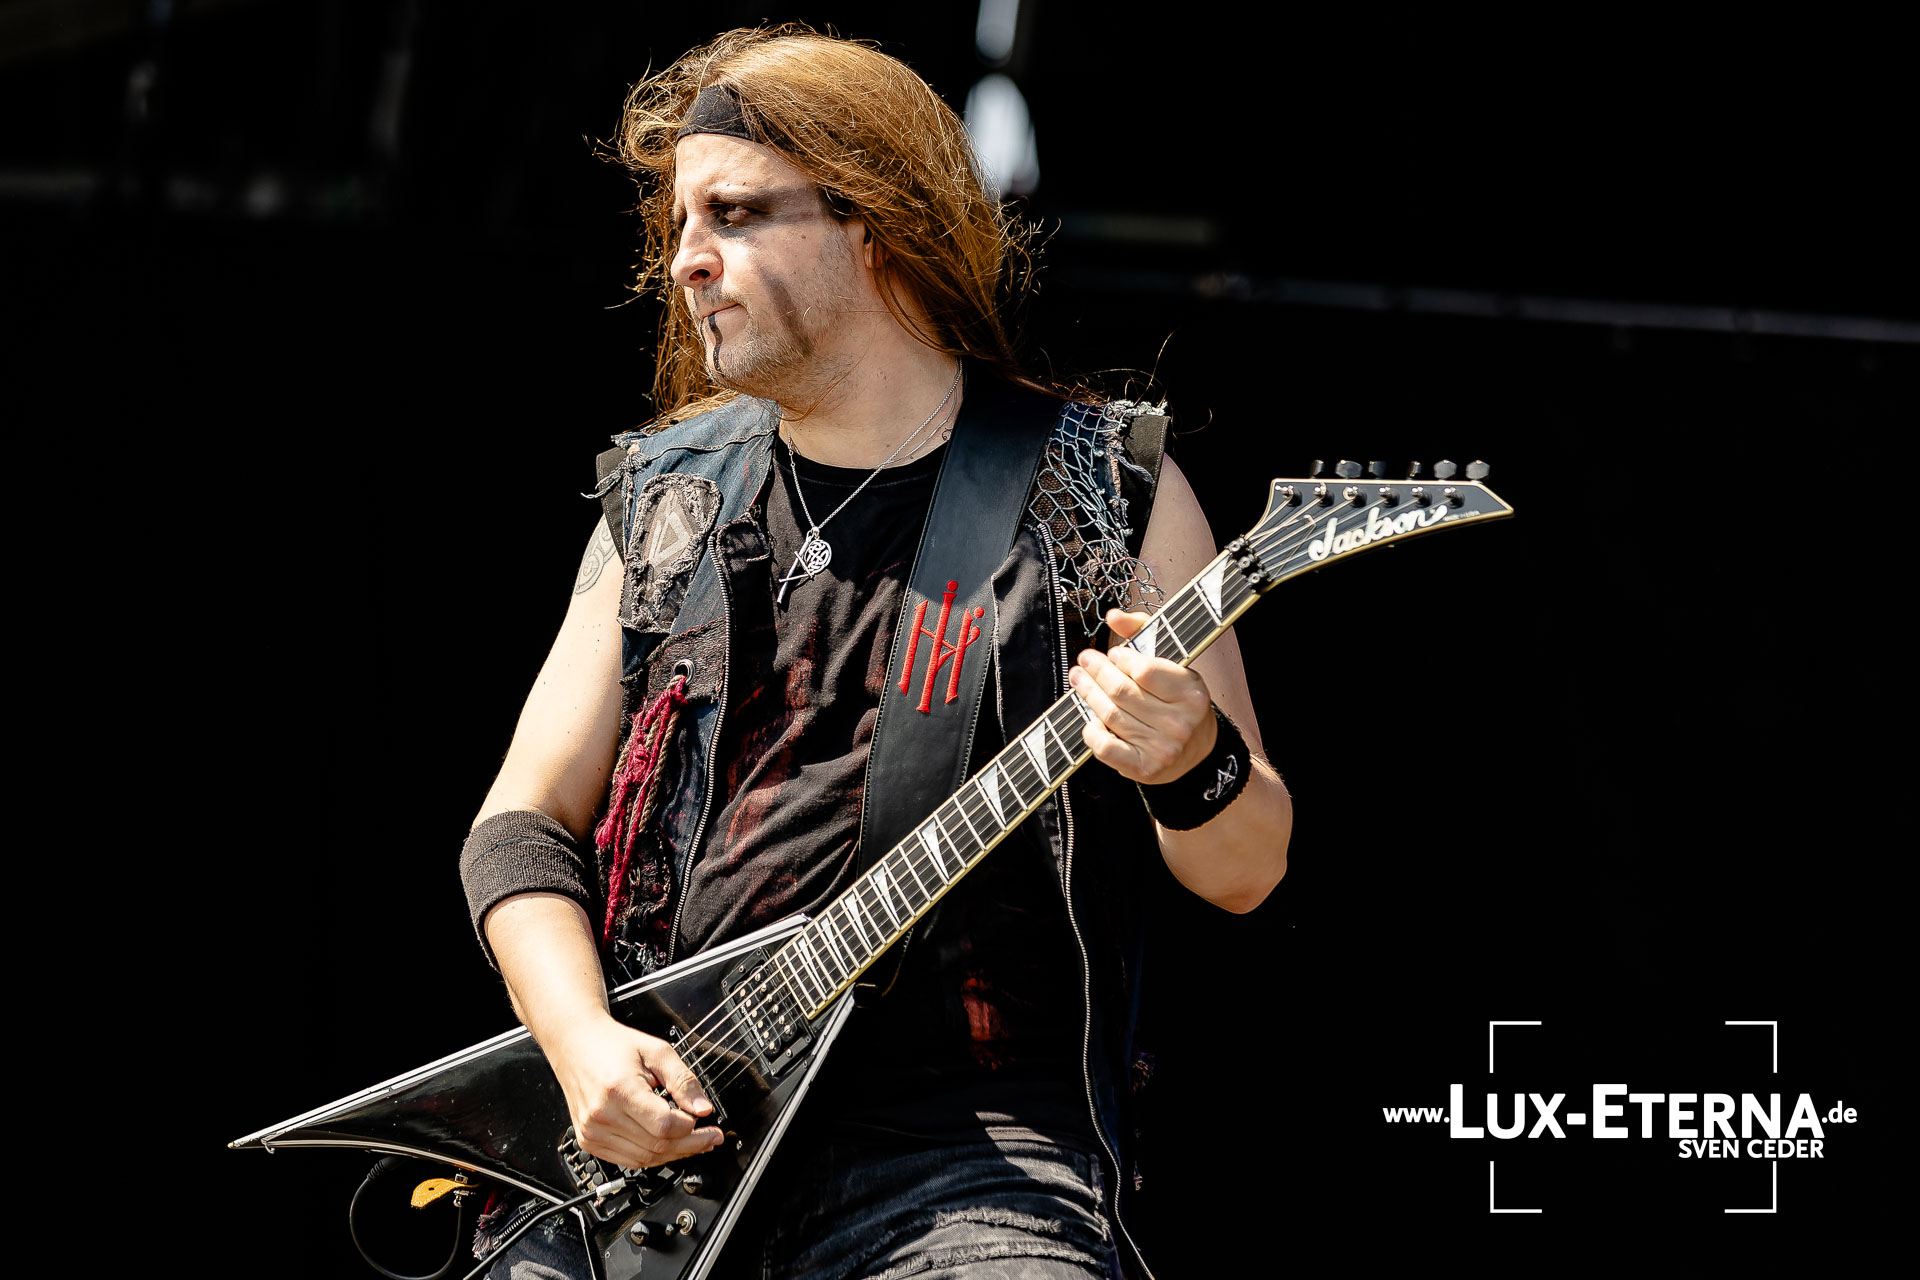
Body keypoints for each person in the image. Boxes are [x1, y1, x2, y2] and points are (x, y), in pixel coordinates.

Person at [458, 26, 1291, 1280]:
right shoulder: (666, 501)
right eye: (680, 222)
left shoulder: (1100, 487)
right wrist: (583, 1047)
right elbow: (519, 826)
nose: (686, 259)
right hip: (663, 1158)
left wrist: (1190, 759)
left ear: (876, 221)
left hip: (967, 1161)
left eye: (734, 213)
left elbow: (1248, 866)